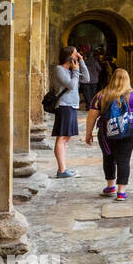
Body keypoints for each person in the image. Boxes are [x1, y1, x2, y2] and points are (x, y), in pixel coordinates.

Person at [85, 68, 133, 201]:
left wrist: (88, 133)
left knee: (108, 158)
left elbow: (91, 116)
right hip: (128, 133)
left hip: (106, 134)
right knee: (124, 160)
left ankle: (110, 186)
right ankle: (121, 192)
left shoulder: (101, 95)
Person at [50, 45, 82, 178]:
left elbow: (86, 78)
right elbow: (72, 85)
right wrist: (75, 71)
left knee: (66, 138)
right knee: (62, 137)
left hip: (72, 105)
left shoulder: (71, 70)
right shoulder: (59, 69)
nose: (77, 56)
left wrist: (81, 62)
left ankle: (63, 168)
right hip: (64, 105)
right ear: (68, 56)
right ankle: (61, 170)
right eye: (75, 54)